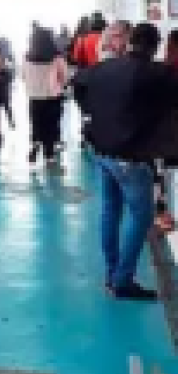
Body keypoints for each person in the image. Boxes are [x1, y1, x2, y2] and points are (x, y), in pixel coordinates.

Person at [73, 22, 178, 301]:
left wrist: (93, 112)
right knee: (142, 216)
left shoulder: (103, 68)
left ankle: (112, 273)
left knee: (110, 210)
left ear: (131, 41)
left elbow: (78, 83)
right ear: (156, 46)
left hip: (102, 151)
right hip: (131, 156)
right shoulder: (159, 74)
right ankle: (123, 280)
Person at [23, 25, 68, 166]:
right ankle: (49, 155)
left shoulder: (26, 58)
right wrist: (61, 85)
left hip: (34, 97)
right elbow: (64, 77)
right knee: (51, 125)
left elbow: (23, 76)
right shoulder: (57, 58)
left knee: (36, 123)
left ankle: (35, 143)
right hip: (53, 97)